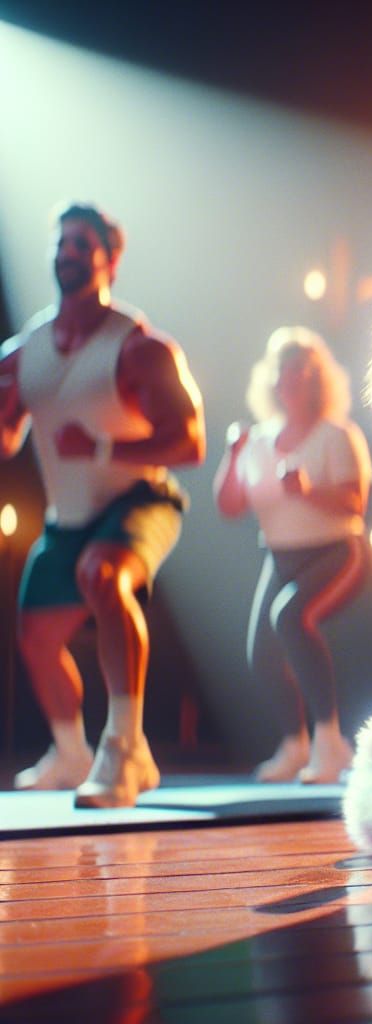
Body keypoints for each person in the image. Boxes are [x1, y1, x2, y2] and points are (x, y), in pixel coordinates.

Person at [0, 202, 205, 806]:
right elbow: (7, 438)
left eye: (80, 243)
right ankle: (70, 752)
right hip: (70, 519)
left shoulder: (139, 347)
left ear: (109, 259)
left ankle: (126, 748)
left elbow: (191, 442)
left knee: (103, 574)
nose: (66, 252)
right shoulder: (21, 351)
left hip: (140, 501)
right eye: (59, 242)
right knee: (35, 639)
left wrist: (102, 444)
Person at [213, 326, 372, 783]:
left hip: (337, 552)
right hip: (279, 557)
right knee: (261, 651)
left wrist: (308, 491)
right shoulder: (258, 440)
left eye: (300, 372)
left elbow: (355, 502)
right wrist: (232, 454)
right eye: (283, 372)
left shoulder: (337, 434)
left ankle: (331, 745)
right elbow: (229, 508)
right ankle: (295, 747)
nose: (290, 381)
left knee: (290, 618)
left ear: (317, 380)